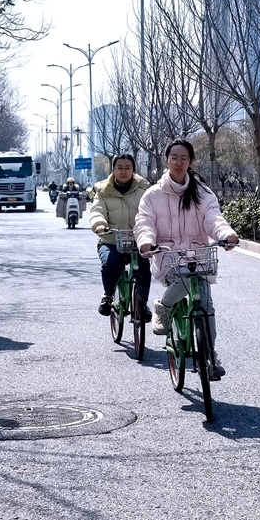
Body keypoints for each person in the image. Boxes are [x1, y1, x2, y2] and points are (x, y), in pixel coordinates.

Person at [135, 139, 239, 379]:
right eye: (174, 158)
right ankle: (164, 306)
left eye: (184, 158)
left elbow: (214, 218)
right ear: (166, 161)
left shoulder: (202, 193)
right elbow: (144, 221)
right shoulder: (153, 195)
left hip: (198, 257)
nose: (179, 162)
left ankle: (210, 356)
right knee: (184, 277)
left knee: (206, 307)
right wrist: (146, 241)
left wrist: (226, 234)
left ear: (191, 161)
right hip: (167, 257)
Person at [90, 154, 152, 320]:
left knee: (144, 267)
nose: (123, 172)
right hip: (111, 240)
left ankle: (143, 304)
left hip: (137, 241)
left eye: (127, 168)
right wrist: (100, 225)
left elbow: (152, 211)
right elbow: (97, 211)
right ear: (113, 170)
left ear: (133, 170)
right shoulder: (103, 190)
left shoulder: (144, 189)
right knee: (112, 264)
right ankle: (108, 295)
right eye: (120, 168)